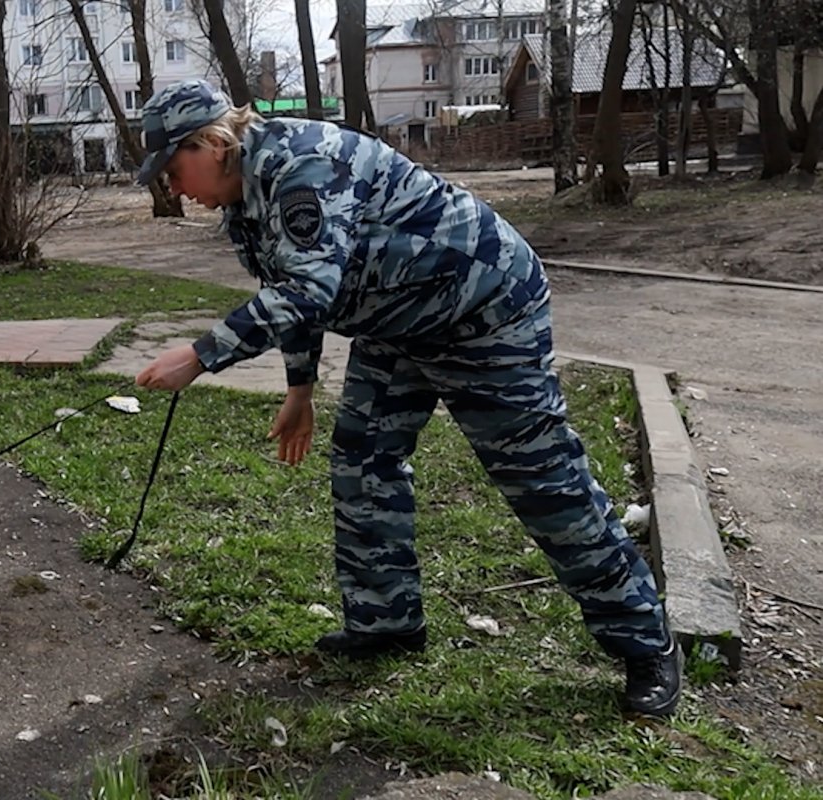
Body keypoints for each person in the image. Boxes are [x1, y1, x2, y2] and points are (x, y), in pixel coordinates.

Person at [131, 79, 683, 719]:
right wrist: (300, 389)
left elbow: (308, 290)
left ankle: (646, 641)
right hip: (398, 324)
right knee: (363, 461)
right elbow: (294, 291)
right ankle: (386, 621)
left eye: (173, 170)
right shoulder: (244, 203)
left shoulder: (301, 168)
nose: (175, 188)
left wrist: (200, 355)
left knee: (541, 480)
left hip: (483, 310)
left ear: (211, 143)